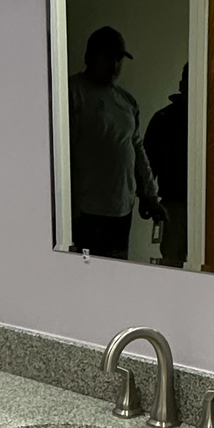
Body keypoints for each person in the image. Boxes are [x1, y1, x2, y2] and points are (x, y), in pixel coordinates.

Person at [67, 24, 160, 257]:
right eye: (108, 57)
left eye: (119, 59)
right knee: (84, 271)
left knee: (116, 272)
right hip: (86, 212)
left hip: (121, 210)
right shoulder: (71, 93)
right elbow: (60, 154)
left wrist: (149, 194)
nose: (115, 65)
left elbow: (136, 147)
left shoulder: (126, 101)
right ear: (90, 57)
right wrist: (67, 205)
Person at [143, 66, 189, 267]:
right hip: (173, 205)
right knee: (173, 262)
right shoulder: (163, 120)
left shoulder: (163, 118)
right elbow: (147, 165)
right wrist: (148, 199)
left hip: (209, 206)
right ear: (181, 86)